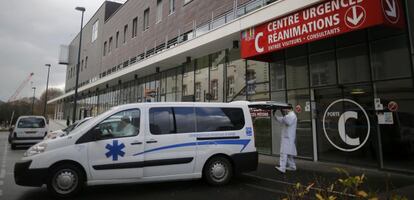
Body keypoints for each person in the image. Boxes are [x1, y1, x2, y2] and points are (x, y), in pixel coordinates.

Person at [273, 105, 297, 173]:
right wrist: (274, 115)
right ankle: (292, 166)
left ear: (289, 109)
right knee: (289, 153)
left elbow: (287, 121)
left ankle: (282, 167)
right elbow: (281, 119)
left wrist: (283, 114)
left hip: (288, 138)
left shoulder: (292, 115)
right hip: (288, 138)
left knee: (283, 152)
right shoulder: (288, 115)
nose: (284, 110)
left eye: (285, 108)